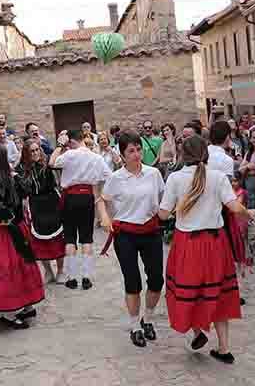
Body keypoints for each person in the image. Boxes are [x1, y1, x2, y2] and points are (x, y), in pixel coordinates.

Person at [158, 135, 255, 364]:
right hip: (215, 243)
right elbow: (233, 207)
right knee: (219, 294)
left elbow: (163, 214)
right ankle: (224, 349)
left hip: (188, 244)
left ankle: (197, 331)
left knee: (188, 292)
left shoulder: (175, 178)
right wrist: (250, 214)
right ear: (206, 153)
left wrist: (174, 211)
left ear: (183, 154)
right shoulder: (218, 177)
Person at [96, 130, 165, 347]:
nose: (136, 154)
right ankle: (135, 325)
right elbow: (102, 200)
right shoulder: (116, 178)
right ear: (123, 154)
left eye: (138, 149)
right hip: (125, 234)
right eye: (131, 150)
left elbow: (163, 200)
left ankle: (148, 319)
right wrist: (105, 218)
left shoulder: (154, 174)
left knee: (156, 279)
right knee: (132, 281)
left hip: (151, 231)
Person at [0, 142, 44, 329]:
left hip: (10, 230)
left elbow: (27, 189)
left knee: (18, 266)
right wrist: (7, 216)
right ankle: (10, 311)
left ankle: (24, 306)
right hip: (1, 232)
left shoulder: (2, 176)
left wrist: (15, 176)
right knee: (5, 269)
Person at [50, 129, 112, 290]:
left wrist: (59, 145)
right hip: (87, 197)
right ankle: (86, 277)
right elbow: (108, 175)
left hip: (70, 197)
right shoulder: (95, 157)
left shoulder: (69, 154)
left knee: (70, 237)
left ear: (71, 142)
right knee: (86, 237)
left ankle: (71, 277)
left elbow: (52, 163)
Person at [15, 139, 66, 284]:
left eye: (37, 149)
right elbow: (24, 189)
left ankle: (61, 271)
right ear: (26, 153)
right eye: (32, 151)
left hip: (52, 202)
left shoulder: (47, 162)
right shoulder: (20, 169)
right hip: (35, 204)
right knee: (38, 240)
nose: (36, 153)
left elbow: (57, 165)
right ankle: (48, 271)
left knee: (57, 239)